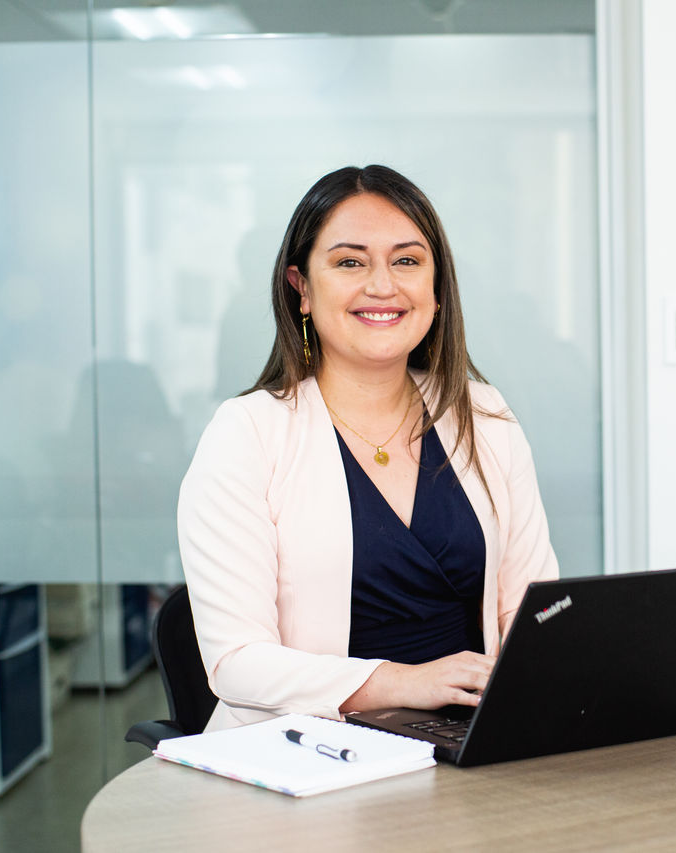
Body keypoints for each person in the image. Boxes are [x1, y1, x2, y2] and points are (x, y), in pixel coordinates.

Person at [178, 165, 560, 730]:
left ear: (436, 290)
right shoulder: (247, 434)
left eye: (406, 261)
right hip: (310, 755)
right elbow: (236, 664)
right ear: (301, 288)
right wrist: (403, 682)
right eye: (350, 262)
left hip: (469, 746)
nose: (383, 286)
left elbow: (534, 607)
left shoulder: (484, 415)